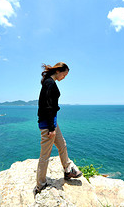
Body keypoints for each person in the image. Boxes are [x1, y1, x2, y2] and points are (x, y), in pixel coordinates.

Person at [35, 62, 82, 194]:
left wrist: (53, 125)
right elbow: (47, 106)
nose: (64, 77)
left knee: (62, 145)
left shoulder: (49, 82)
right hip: (48, 124)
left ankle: (68, 170)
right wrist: (51, 128)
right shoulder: (49, 83)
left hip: (53, 122)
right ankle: (40, 184)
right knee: (45, 155)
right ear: (58, 71)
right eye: (64, 74)